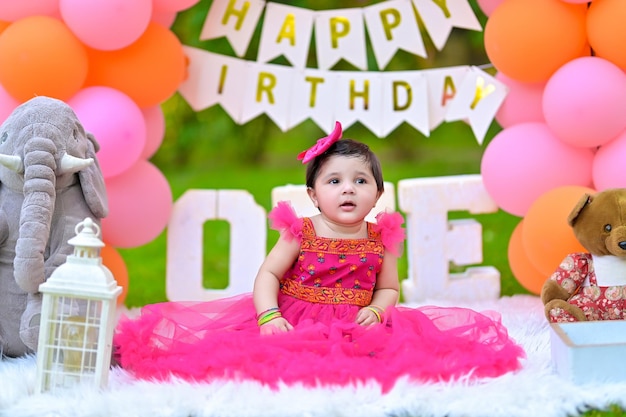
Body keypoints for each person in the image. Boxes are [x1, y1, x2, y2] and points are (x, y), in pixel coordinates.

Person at [114, 122, 524, 391]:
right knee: (249, 357)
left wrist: (380, 311)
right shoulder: (301, 230)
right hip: (296, 317)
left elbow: (389, 287)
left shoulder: (382, 237)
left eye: (360, 181)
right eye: (334, 181)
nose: (348, 189)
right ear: (313, 194)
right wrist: (269, 315)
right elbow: (268, 276)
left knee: (390, 362)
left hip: (358, 323)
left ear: (378, 194)